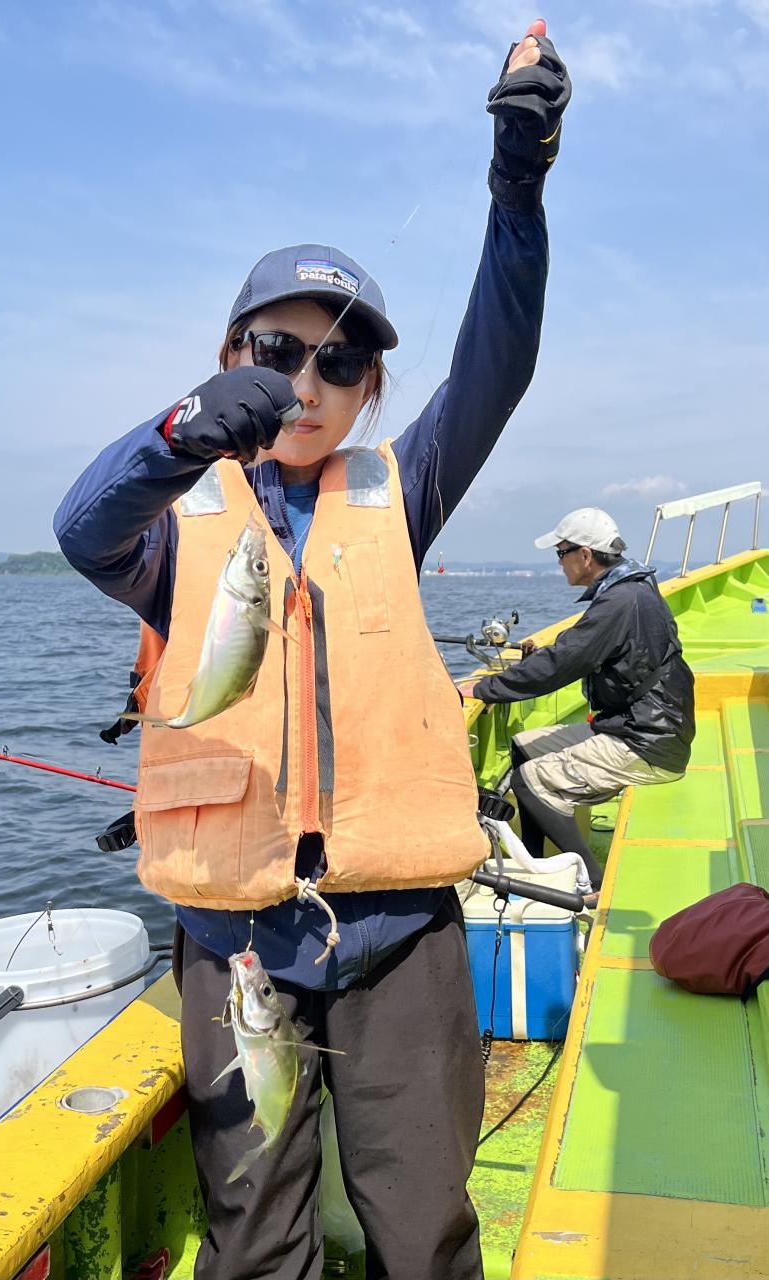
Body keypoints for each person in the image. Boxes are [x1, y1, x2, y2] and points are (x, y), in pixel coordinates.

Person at [54, 23, 570, 1280]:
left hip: (400, 937)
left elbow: (496, 364)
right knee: (254, 1233)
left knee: (424, 1223)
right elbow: (80, 527)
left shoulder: (402, 486)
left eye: (341, 358)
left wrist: (517, 191)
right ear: (233, 357)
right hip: (234, 943)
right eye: (277, 350)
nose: (309, 376)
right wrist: (178, 433)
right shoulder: (178, 524)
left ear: (371, 388)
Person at [465, 507, 695, 903]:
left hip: (647, 740)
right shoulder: (631, 589)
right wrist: (544, 655)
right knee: (523, 748)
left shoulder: (620, 601)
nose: (559, 563)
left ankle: (593, 882)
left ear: (585, 555)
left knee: (529, 780)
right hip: (644, 724)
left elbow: (562, 665)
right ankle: (533, 862)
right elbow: (581, 646)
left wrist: (482, 690)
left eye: (561, 553)